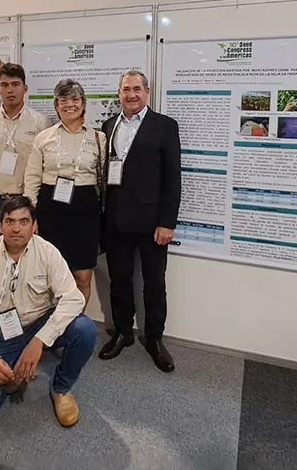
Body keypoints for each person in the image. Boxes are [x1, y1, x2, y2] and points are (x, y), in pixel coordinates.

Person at [0, 196, 97, 428]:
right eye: (10, 221)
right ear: (0, 225)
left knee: (85, 329)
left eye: (23, 222)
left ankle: (61, 388)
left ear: (34, 226)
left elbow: (73, 298)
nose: (16, 229)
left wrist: (40, 340)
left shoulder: (48, 252)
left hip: (39, 324)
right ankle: (11, 376)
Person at [98, 70, 181, 373]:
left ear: (147, 92)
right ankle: (123, 332)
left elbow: (173, 178)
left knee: (154, 283)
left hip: (152, 224)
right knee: (119, 280)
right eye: (125, 89)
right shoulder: (109, 126)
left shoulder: (165, 126)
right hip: (116, 220)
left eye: (136, 89)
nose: (131, 94)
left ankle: (155, 339)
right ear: (118, 94)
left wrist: (167, 222)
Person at [24, 79, 106, 306]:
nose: (70, 104)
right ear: (56, 105)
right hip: (51, 211)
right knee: (49, 275)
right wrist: (31, 215)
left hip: (85, 212)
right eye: (63, 100)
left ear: (84, 103)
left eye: (75, 99)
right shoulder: (44, 137)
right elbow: (32, 178)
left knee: (82, 277)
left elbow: (105, 180)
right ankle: (51, 323)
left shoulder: (99, 139)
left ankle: (75, 323)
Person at [0, 63, 49, 238]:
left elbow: (42, 169)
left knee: (27, 249)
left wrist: (32, 204)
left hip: (26, 200)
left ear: (25, 88)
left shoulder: (40, 122)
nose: (10, 90)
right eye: (4, 85)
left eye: (15, 84)